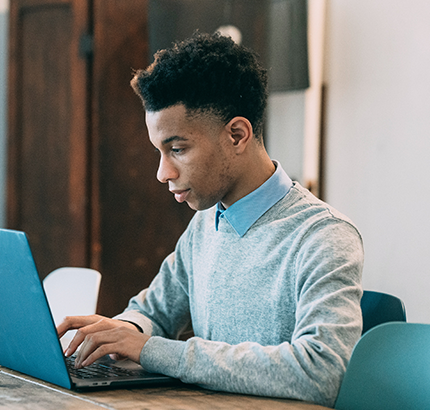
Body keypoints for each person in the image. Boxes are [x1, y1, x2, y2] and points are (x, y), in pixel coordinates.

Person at [57, 32, 364, 407]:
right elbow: (152, 312)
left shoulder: (324, 236)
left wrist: (153, 350)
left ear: (237, 135)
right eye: (160, 151)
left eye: (178, 149)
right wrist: (120, 332)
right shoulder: (206, 223)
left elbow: (322, 372)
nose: (162, 173)